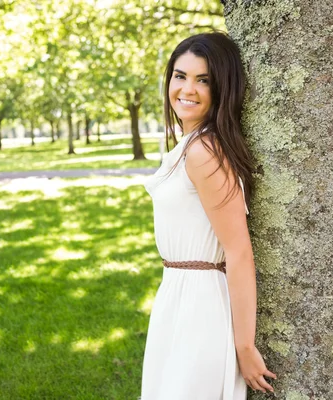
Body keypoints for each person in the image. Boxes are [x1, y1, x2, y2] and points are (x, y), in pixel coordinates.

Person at [141, 32, 277, 399]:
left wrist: (245, 348)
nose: (187, 88)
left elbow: (238, 251)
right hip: (176, 295)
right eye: (180, 75)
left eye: (204, 80)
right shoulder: (189, 146)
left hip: (201, 308)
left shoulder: (204, 152)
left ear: (223, 89)